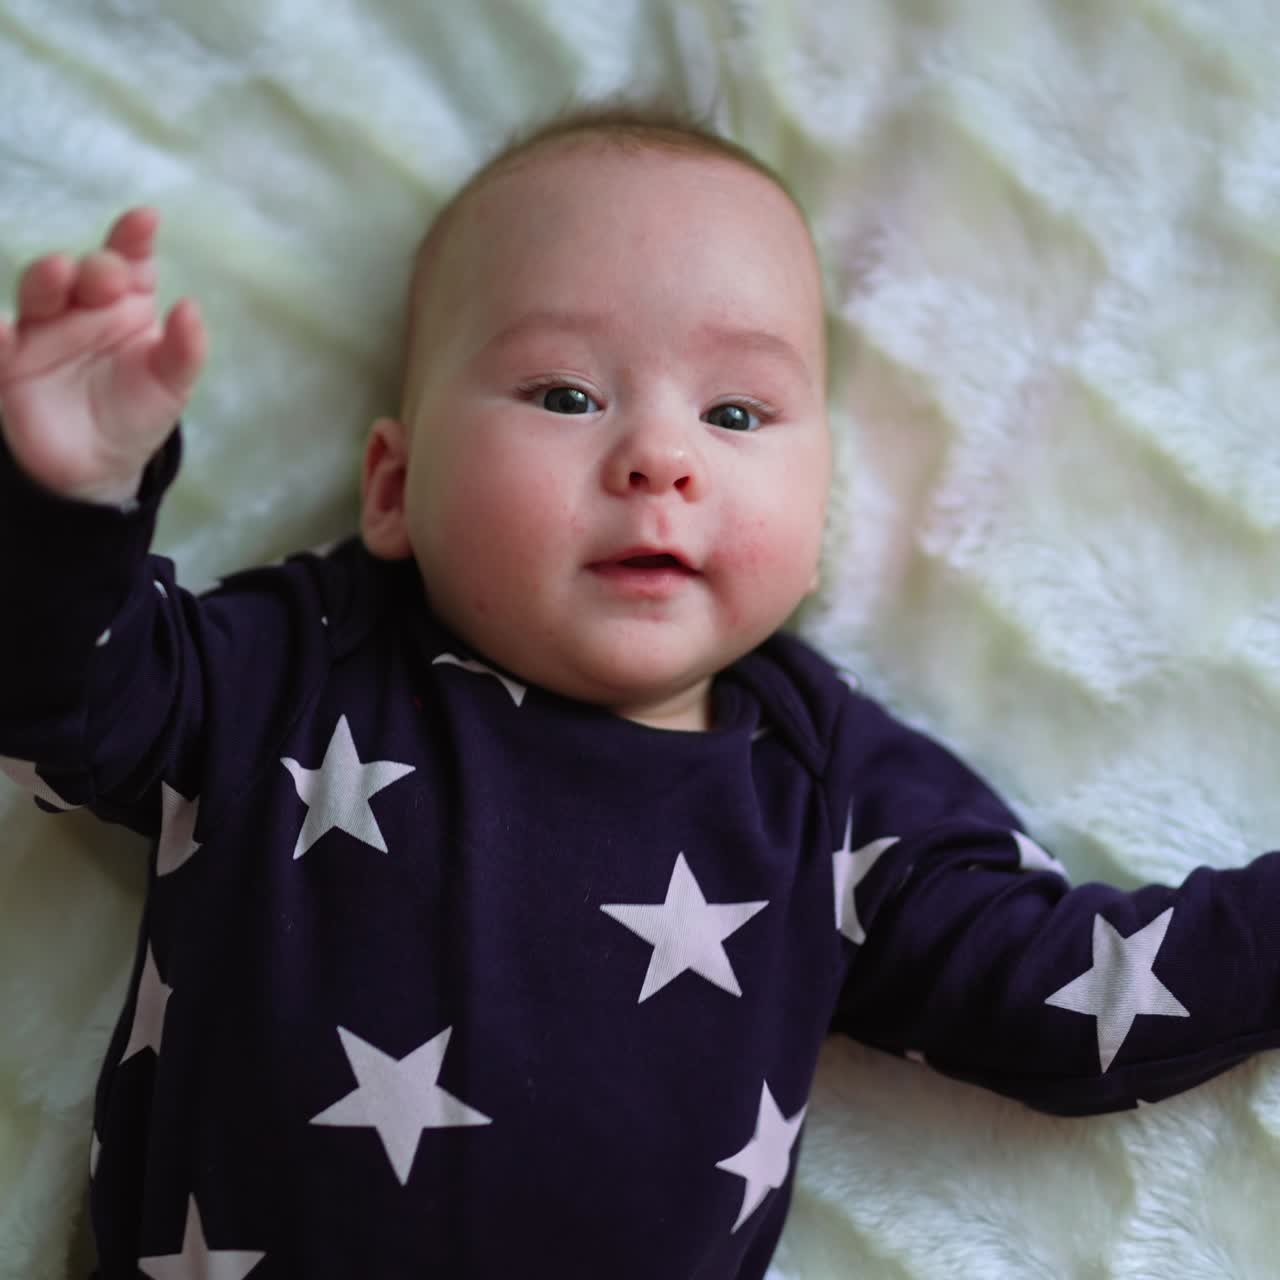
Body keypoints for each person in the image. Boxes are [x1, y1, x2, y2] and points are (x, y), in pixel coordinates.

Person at [1, 99, 1278, 1280]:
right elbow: (58, 698)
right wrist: (70, 502)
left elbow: (1075, 997)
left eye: (735, 411)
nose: (659, 455)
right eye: (566, 393)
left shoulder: (825, 789)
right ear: (391, 486)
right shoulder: (292, 667)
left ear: (818, 506)